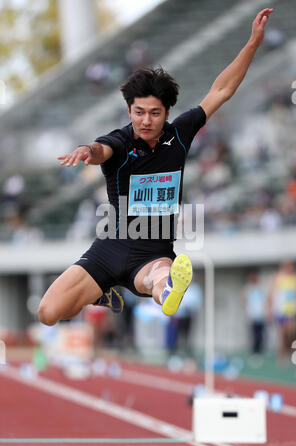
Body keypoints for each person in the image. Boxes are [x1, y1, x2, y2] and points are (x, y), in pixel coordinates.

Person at [38, 9, 274, 327]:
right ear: (129, 110)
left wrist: (253, 43)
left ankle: (170, 292)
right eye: (138, 112)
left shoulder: (180, 133)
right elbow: (100, 150)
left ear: (166, 112)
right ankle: (99, 295)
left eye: (154, 112)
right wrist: (86, 152)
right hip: (111, 247)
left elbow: (222, 90)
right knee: (48, 313)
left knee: (161, 278)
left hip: (154, 251)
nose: (146, 120)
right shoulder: (120, 141)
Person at [267, 261, 296, 363]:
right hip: (281, 311)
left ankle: (292, 355)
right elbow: (272, 293)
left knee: (292, 334)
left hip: (292, 311)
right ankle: (282, 357)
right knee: (282, 334)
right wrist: (270, 308)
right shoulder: (278, 278)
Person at [241, 272, 267, 356]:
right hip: (252, 316)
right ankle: (255, 351)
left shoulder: (260, 289)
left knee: (260, 334)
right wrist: (248, 314)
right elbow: (244, 302)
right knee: (254, 334)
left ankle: (259, 350)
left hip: (261, 315)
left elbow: (265, 302)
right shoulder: (248, 290)